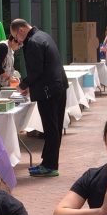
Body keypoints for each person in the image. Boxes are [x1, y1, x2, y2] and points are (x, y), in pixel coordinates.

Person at [11, 18, 69, 178]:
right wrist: (30, 86)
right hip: (58, 87)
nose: (17, 41)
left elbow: (36, 71)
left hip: (48, 90)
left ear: (21, 30)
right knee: (54, 128)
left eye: (16, 37)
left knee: (51, 129)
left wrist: (23, 85)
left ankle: (50, 166)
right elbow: (45, 67)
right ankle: (48, 163)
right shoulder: (43, 35)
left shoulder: (33, 42)